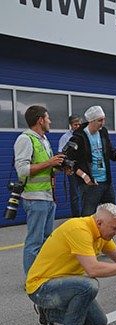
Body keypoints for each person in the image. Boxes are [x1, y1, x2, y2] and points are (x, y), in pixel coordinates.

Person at [25, 203, 116, 325]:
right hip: (41, 287)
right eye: (115, 228)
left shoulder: (101, 233)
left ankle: (47, 313)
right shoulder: (79, 229)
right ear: (99, 223)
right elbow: (93, 269)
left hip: (65, 283)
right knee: (88, 285)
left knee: (98, 323)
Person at [14, 105, 66, 274]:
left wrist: (59, 167)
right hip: (35, 198)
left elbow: (45, 167)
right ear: (40, 120)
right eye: (48, 118)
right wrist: (49, 163)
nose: (50, 121)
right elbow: (22, 170)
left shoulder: (43, 140)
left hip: (47, 197)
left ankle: (42, 273)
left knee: (46, 241)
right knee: (34, 242)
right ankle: (31, 279)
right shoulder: (25, 139)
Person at [70, 106, 116, 216]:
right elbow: (70, 162)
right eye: (100, 120)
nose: (103, 123)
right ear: (91, 121)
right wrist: (84, 176)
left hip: (106, 181)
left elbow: (111, 153)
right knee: (88, 215)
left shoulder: (103, 132)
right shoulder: (79, 137)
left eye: (104, 119)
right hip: (90, 184)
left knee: (112, 213)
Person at [58, 115, 82, 217]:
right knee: (75, 194)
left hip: (84, 168)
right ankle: (76, 217)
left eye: (79, 124)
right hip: (72, 169)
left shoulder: (85, 135)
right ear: (70, 125)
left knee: (87, 193)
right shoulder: (65, 138)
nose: (77, 126)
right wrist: (66, 168)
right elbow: (60, 154)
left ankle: (86, 216)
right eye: (75, 124)